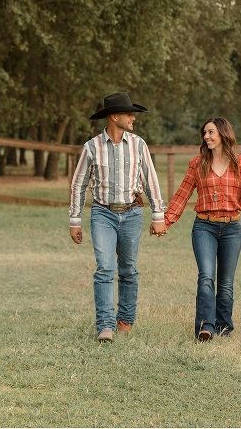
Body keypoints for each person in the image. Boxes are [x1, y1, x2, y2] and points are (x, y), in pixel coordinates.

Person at [69, 92, 167, 343]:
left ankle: (125, 321)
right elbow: (79, 184)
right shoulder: (91, 147)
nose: (133, 118)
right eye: (128, 114)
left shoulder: (138, 145)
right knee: (104, 268)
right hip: (102, 213)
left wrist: (158, 214)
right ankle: (105, 326)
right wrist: (75, 220)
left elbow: (150, 180)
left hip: (132, 213)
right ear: (115, 117)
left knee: (129, 270)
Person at [163, 117, 241, 341]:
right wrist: (167, 220)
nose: (206, 136)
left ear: (223, 134)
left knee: (226, 282)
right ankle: (206, 326)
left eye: (210, 132)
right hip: (204, 227)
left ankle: (224, 326)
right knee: (206, 277)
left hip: (232, 229)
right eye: (205, 133)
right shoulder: (197, 163)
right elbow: (183, 193)